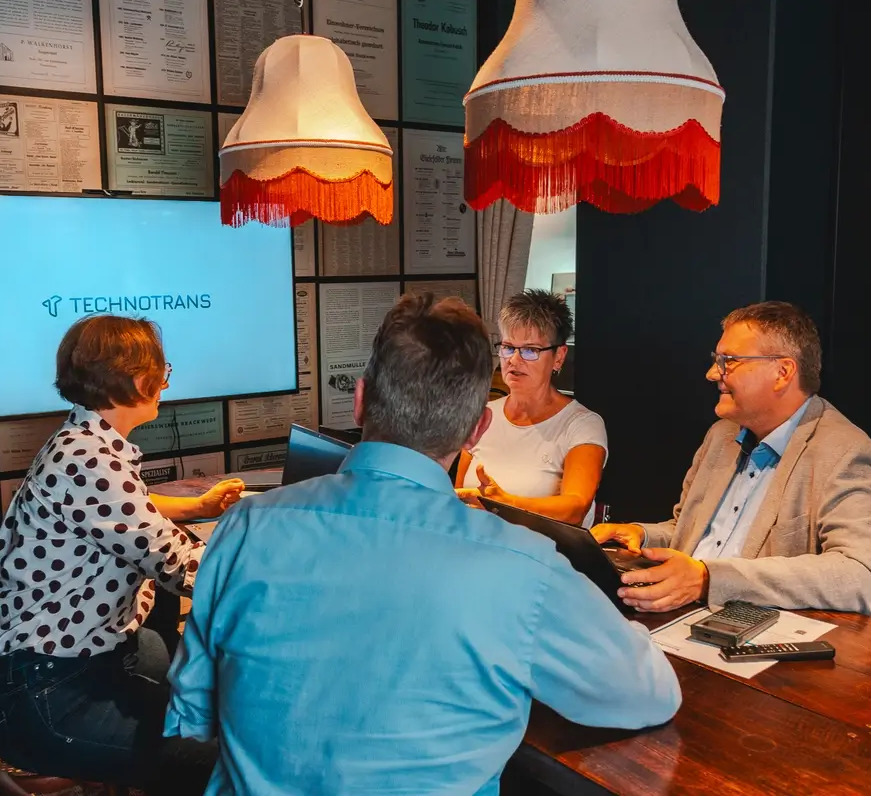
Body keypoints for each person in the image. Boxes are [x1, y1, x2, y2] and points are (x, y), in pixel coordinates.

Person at [165, 294, 680, 795]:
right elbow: (649, 693)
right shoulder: (524, 569)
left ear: (361, 398)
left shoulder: (245, 527)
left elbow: (194, 707)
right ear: (478, 428)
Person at [0, 315, 244, 793]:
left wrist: (198, 506)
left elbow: (124, 506)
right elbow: (177, 564)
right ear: (143, 381)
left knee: (180, 666)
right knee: (220, 756)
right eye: (163, 374)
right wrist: (270, 565)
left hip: (65, 663)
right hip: (49, 692)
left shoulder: (83, 442)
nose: (164, 384)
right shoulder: (89, 460)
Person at [593, 302, 871, 618]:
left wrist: (708, 579)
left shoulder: (847, 453)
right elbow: (693, 534)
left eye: (730, 361)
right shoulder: (721, 436)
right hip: (692, 616)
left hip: (775, 638)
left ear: (783, 372)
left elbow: (865, 577)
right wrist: (642, 535)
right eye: (716, 360)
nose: (713, 374)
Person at [455, 289, 607, 526]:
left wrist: (503, 503)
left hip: (548, 558)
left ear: (559, 356)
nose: (514, 360)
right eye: (508, 347)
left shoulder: (582, 424)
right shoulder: (482, 414)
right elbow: (459, 496)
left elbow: (575, 508)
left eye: (530, 350)